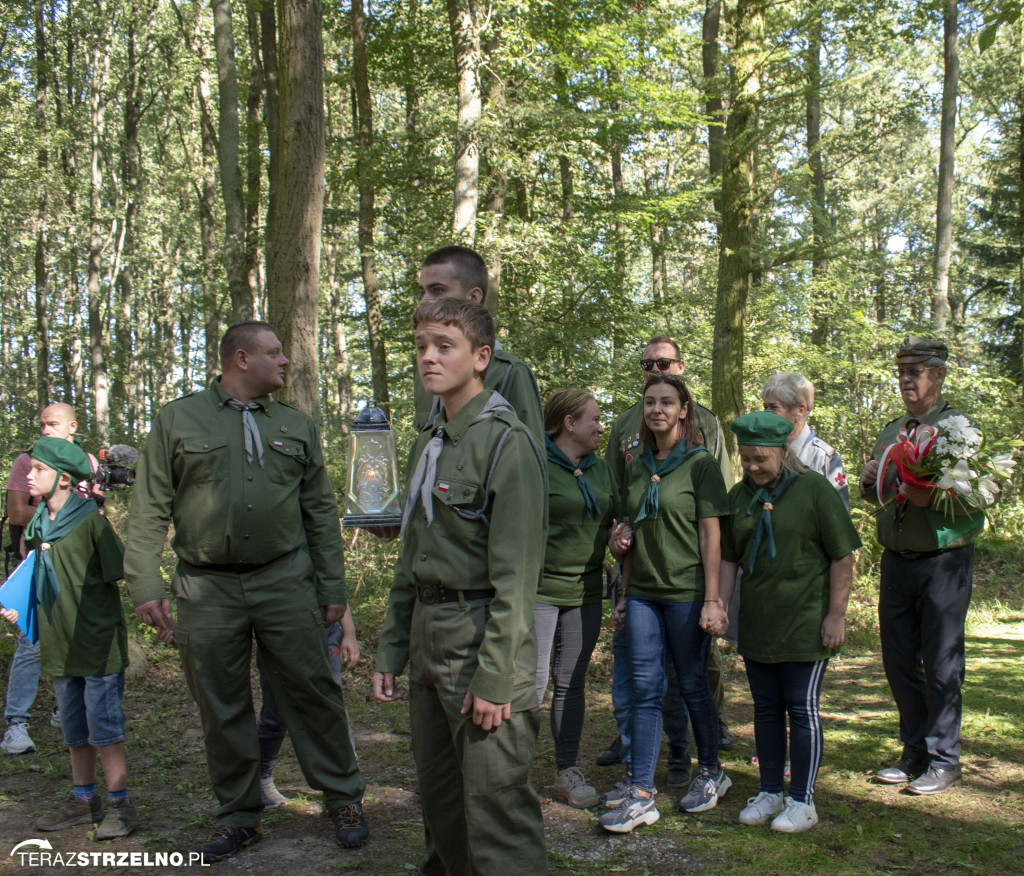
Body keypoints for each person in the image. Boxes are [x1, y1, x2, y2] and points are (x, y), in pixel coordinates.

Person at [123, 320, 368, 862]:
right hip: (206, 585)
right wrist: (146, 583)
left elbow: (321, 514)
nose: (286, 362)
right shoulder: (177, 419)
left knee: (312, 691)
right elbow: (147, 510)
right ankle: (239, 816)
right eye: (274, 353)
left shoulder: (297, 427)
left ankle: (343, 799)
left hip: (285, 579)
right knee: (221, 703)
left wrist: (332, 587)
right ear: (240, 358)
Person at [373, 298, 549, 875]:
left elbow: (517, 579)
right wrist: (393, 646)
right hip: (430, 640)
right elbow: (412, 557)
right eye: (421, 346)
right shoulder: (432, 440)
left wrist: (497, 677)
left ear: (480, 358)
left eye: (443, 346)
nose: (428, 357)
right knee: (442, 806)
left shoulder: (506, 442)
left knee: (496, 812)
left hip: (482, 644)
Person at [599, 336, 734, 793]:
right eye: (650, 402)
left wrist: (713, 600)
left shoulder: (699, 464)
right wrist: (621, 584)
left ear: (682, 410)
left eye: (666, 402)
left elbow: (711, 532)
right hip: (642, 592)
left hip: (686, 590)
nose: (657, 409)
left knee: (692, 682)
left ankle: (712, 770)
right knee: (644, 685)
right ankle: (639, 785)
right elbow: (629, 528)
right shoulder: (636, 466)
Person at [719, 412, 861, 833]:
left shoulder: (814, 490)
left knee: (801, 710)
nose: (753, 467)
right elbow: (729, 558)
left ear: (783, 452)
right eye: (745, 459)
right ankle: (769, 791)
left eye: (761, 458)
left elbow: (842, 556)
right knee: (765, 709)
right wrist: (721, 606)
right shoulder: (738, 496)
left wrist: (836, 615)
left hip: (806, 621)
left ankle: (802, 799)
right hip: (759, 622)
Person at [859, 335, 987, 796]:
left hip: (943, 562)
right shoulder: (892, 429)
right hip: (897, 559)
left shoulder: (959, 429)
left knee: (941, 663)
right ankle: (913, 749)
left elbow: (985, 494)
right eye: (900, 373)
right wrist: (868, 478)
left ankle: (944, 758)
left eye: (914, 373)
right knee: (897, 662)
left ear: (939, 375)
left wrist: (935, 496)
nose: (905, 381)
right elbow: (874, 490)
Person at [15, 437, 136, 838]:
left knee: (105, 727)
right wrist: (19, 604)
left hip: (96, 644)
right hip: (59, 641)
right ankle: (84, 801)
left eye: (38, 470)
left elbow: (120, 574)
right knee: (74, 728)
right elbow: (36, 578)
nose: (28, 476)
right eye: (30, 469)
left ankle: (120, 804)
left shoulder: (90, 522)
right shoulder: (38, 526)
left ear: (64, 479)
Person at [535, 389, 617, 809]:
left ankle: (566, 771)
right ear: (569, 423)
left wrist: (619, 538)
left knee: (571, 684)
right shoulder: (535, 464)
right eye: (595, 418)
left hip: (584, 592)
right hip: (538, 592)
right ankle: (506, 775)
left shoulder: (599, 469)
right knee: (528, 686)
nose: (602, 425)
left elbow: (615, 517)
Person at [2, 402, 96, 756]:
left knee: (76, 639)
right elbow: (16, 512)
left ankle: (65, 711)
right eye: (41, 424)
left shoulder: (88, 463)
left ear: (72, 427)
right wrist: (62, 513)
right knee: (31, 644)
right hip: (38, 567)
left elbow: (96, 511)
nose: (45, 429)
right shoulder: (26, 462)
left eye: (52, 423)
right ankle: (16, 724)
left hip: (79, 569)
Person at [414, 245, 543, 443]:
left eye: (437, 290)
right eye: (422, 292)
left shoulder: (509, 373)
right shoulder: (427, 371)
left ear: (473, 298)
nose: (424, 301)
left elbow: (529, 459)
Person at [255, 606, 360, 807]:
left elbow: (335, 592)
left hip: (324, 635)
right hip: (275, 637)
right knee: (275, 712)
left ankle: (347, 777)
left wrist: (349, 633)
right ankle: (261, 778)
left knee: (332, 709)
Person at [762, 371, 849, 508]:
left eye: (774, 407)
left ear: (800, 410)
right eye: (765, 407)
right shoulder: (759, 451)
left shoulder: (824, 458)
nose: (766, 413)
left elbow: (838, 515)